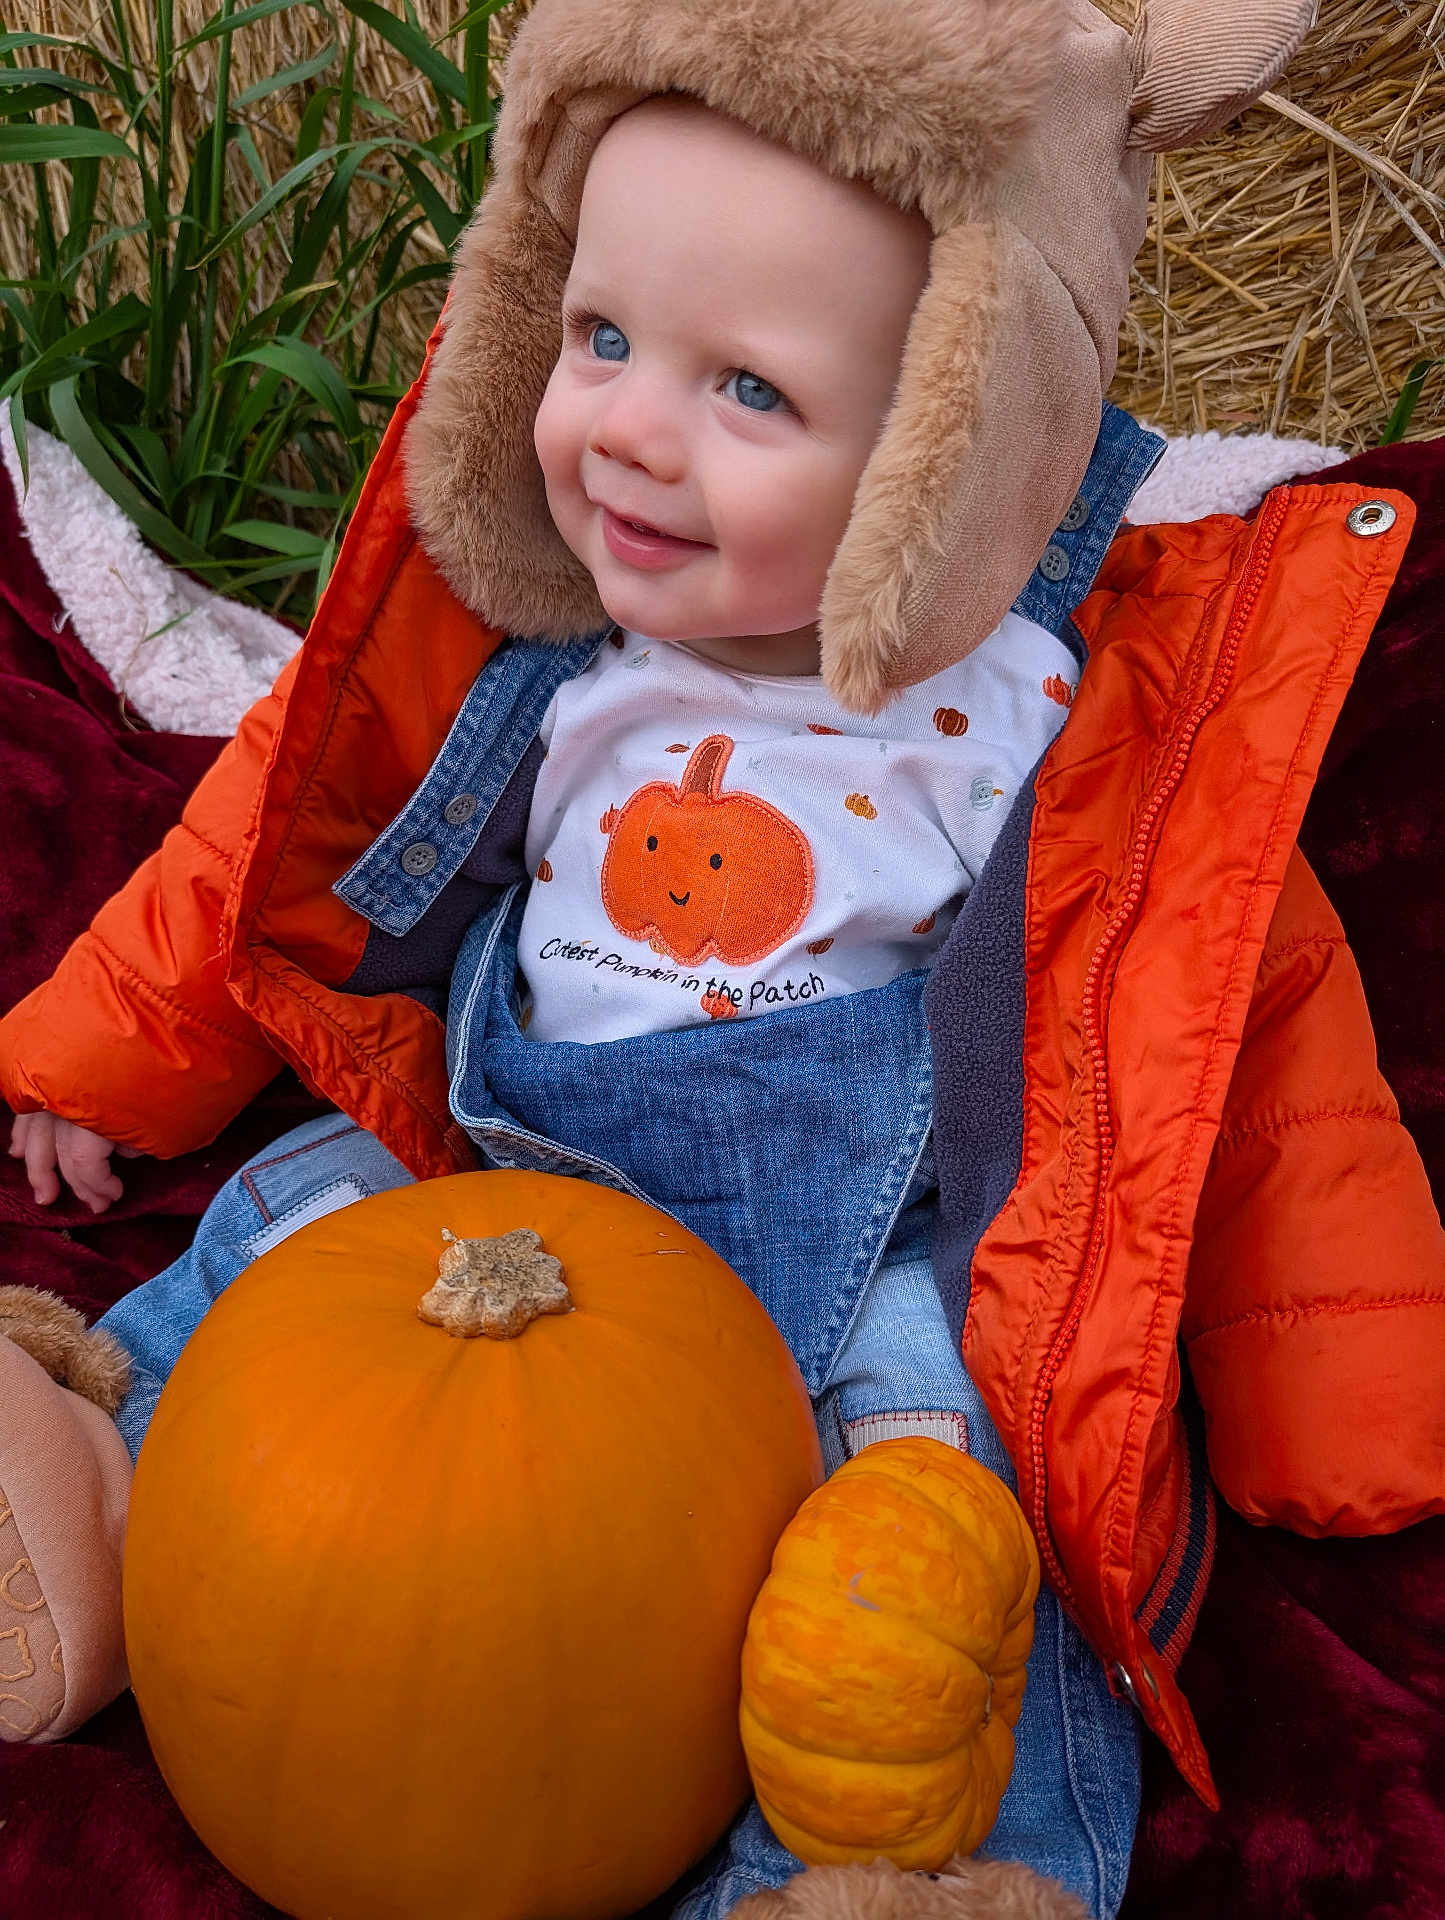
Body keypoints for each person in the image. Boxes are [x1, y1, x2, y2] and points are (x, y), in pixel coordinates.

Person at [2, 2, 1441, 1917]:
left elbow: (1244, 1041)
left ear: (971, 439)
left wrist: (1345, 1399)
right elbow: (268, 831)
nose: (627, 433)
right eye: (597, 338)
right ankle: (84, 1512)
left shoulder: (1057, 727)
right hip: (512, 1178)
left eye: (748, 390)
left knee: (933, 1544)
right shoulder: (544, 645)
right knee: (283, 1254)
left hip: (863, 1264)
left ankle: (883, 1869)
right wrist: (90, 1057)